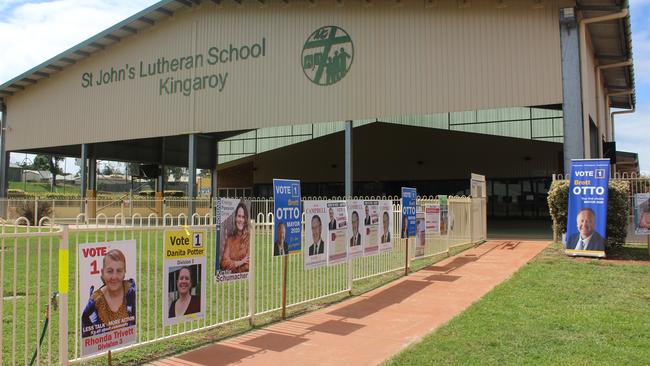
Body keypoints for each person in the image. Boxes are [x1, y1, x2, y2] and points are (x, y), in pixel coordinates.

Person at [81, 249, 136, 338]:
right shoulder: (95, 300)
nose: (114, 277)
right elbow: (85, 323)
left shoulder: (131, 292)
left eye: (119, 271)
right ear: (102, 273)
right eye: (110, 271)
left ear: (124, 272)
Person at [220, 202, 250, 273]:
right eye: (239, 216)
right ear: (235, 218)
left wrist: (232, 265)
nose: (241, 220)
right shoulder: (230, 240)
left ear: (246, 220)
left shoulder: (249, 239)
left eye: (243, 217)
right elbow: (223, 263)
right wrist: (241, 262)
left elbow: (248, 265)